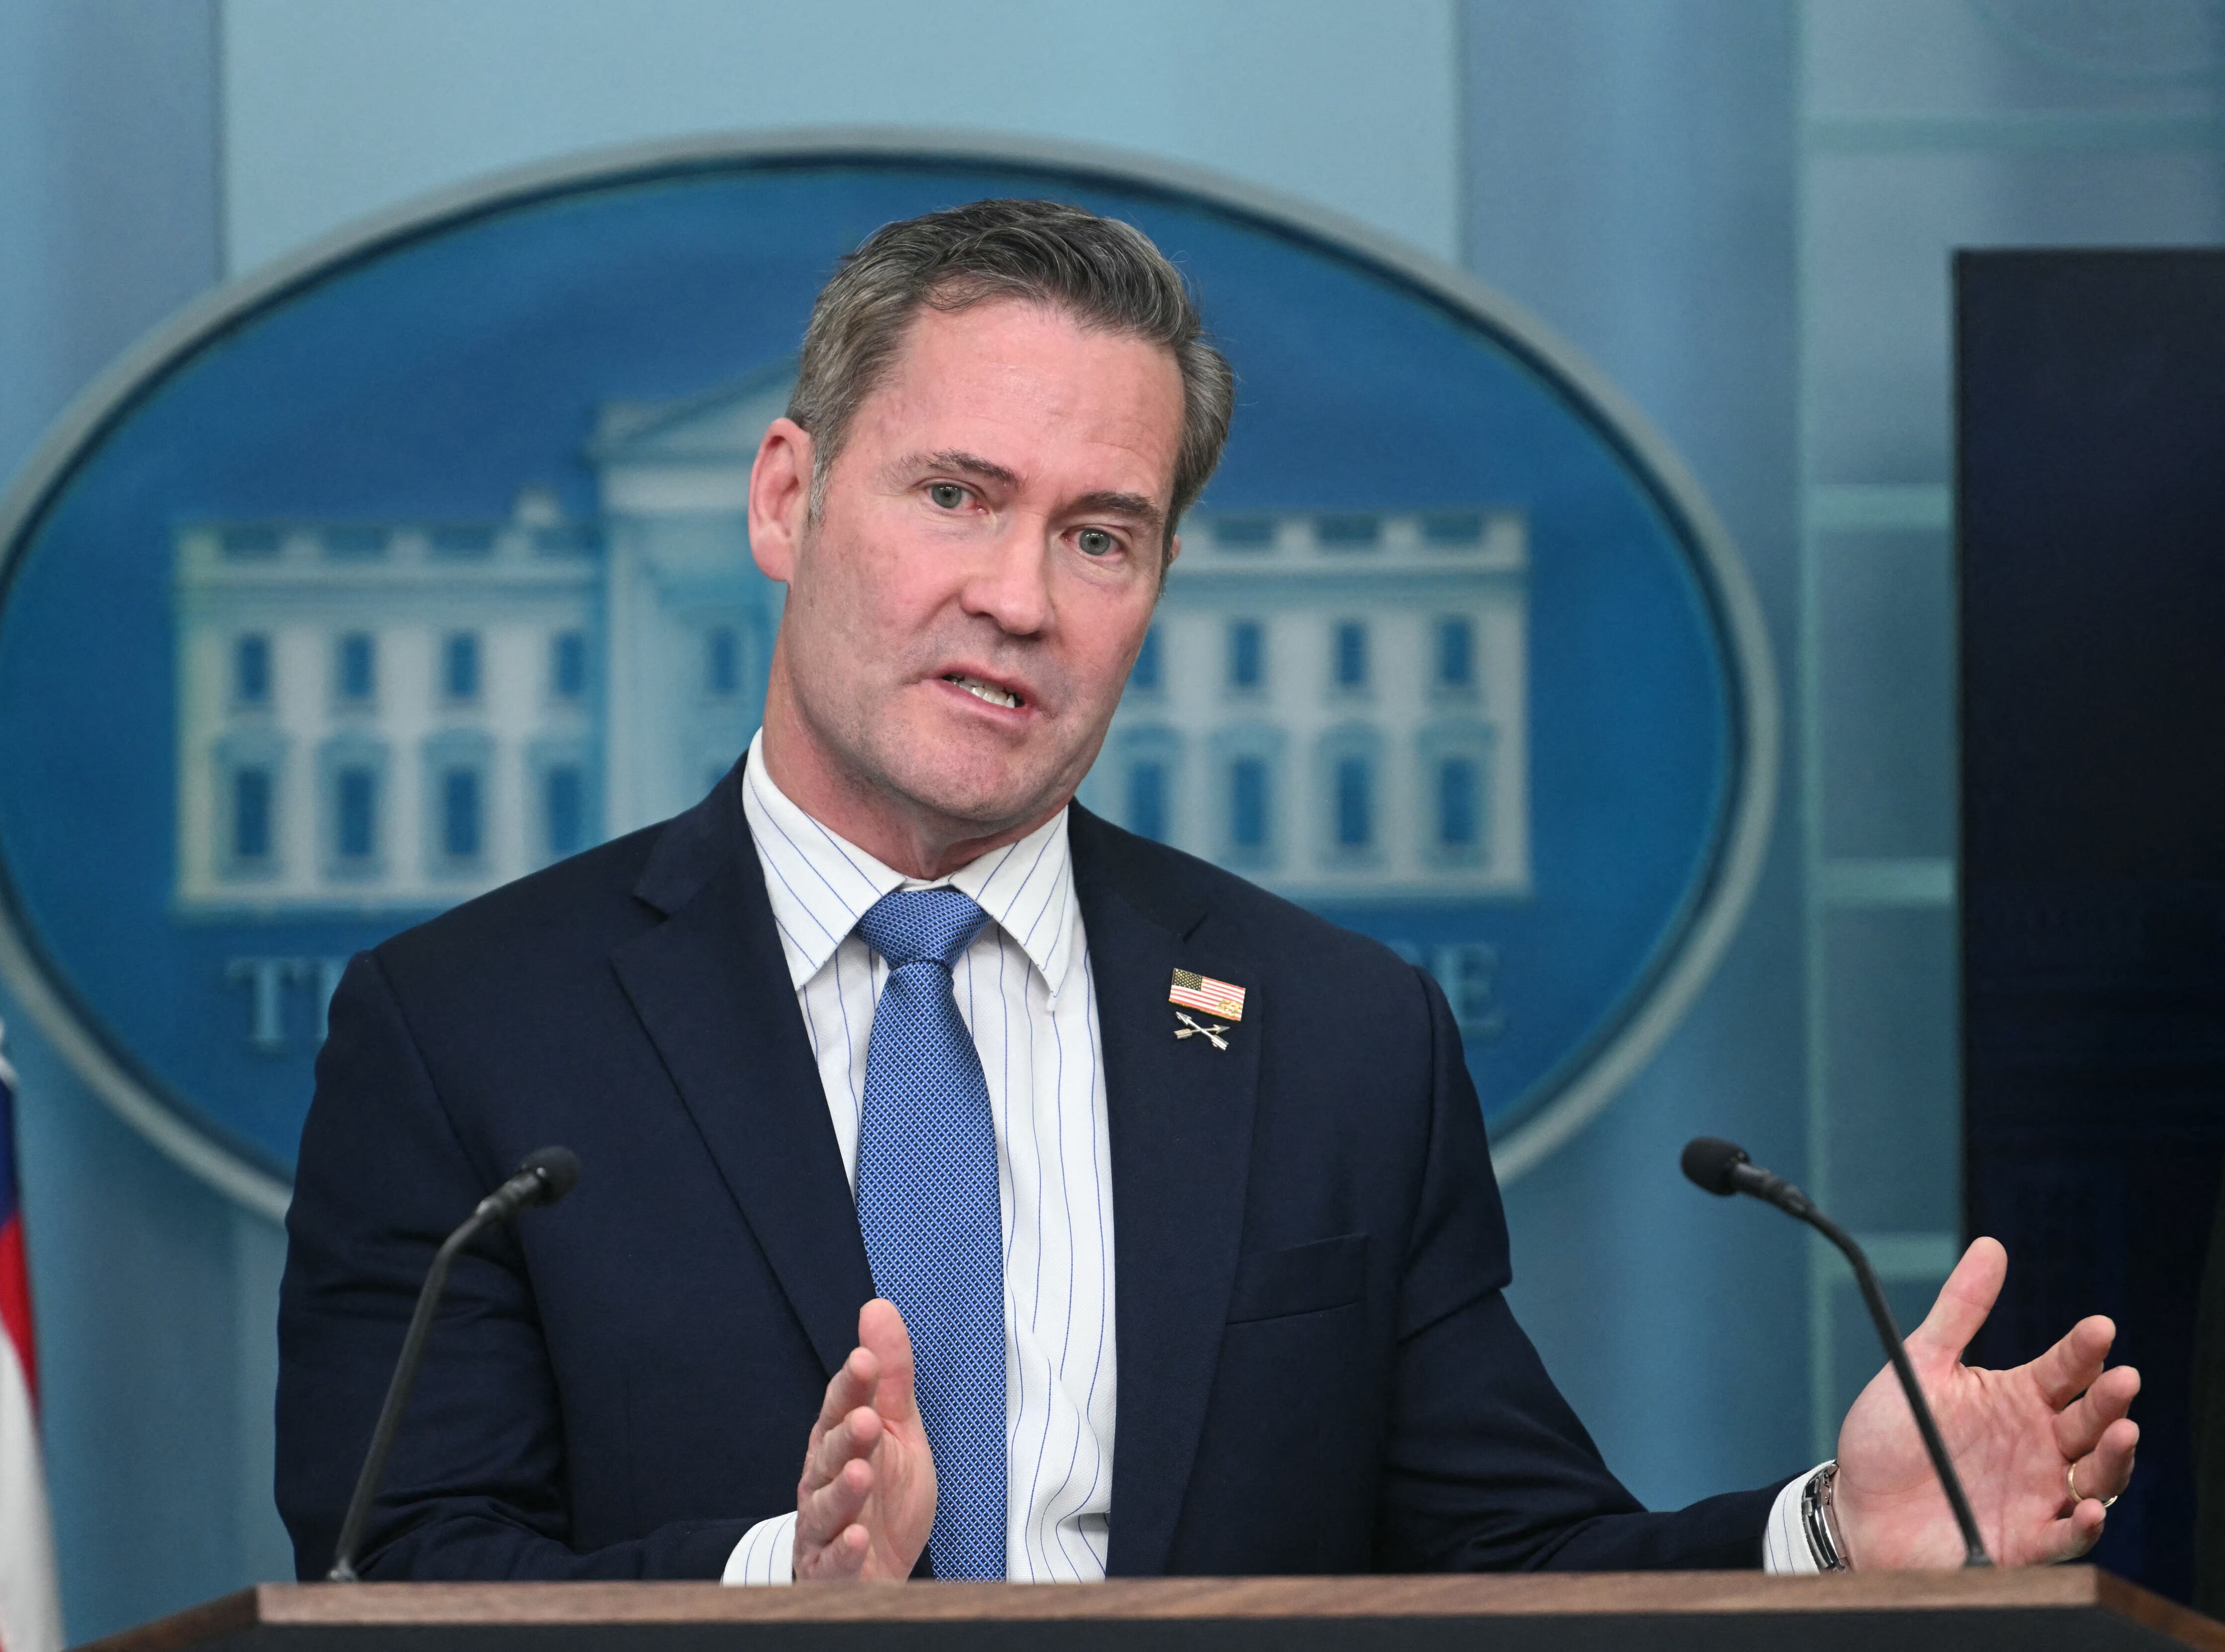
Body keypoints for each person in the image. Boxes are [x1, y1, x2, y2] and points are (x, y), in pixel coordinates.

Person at [275, 199, 2138, 1583]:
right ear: (787, 500)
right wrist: (788, 1586)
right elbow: (404, 1564)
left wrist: (1833, 1534)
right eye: (954, 496)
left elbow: (1508, 1564)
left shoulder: (1339, 1038)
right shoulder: (468, 1031)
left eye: (1100, 536)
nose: (1019, 596)